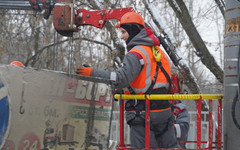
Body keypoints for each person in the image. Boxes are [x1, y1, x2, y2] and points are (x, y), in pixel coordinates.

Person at [76, 12, 180, 149]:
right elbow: (147, 80)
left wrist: (93, 73)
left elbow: (120, 79)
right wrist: (126, 88)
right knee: (170, 147)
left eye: (124, 32)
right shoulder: (157, 51)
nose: (122, 36)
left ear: (133, 30)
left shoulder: (136, 53)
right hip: (163, 111)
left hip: (143, 114)